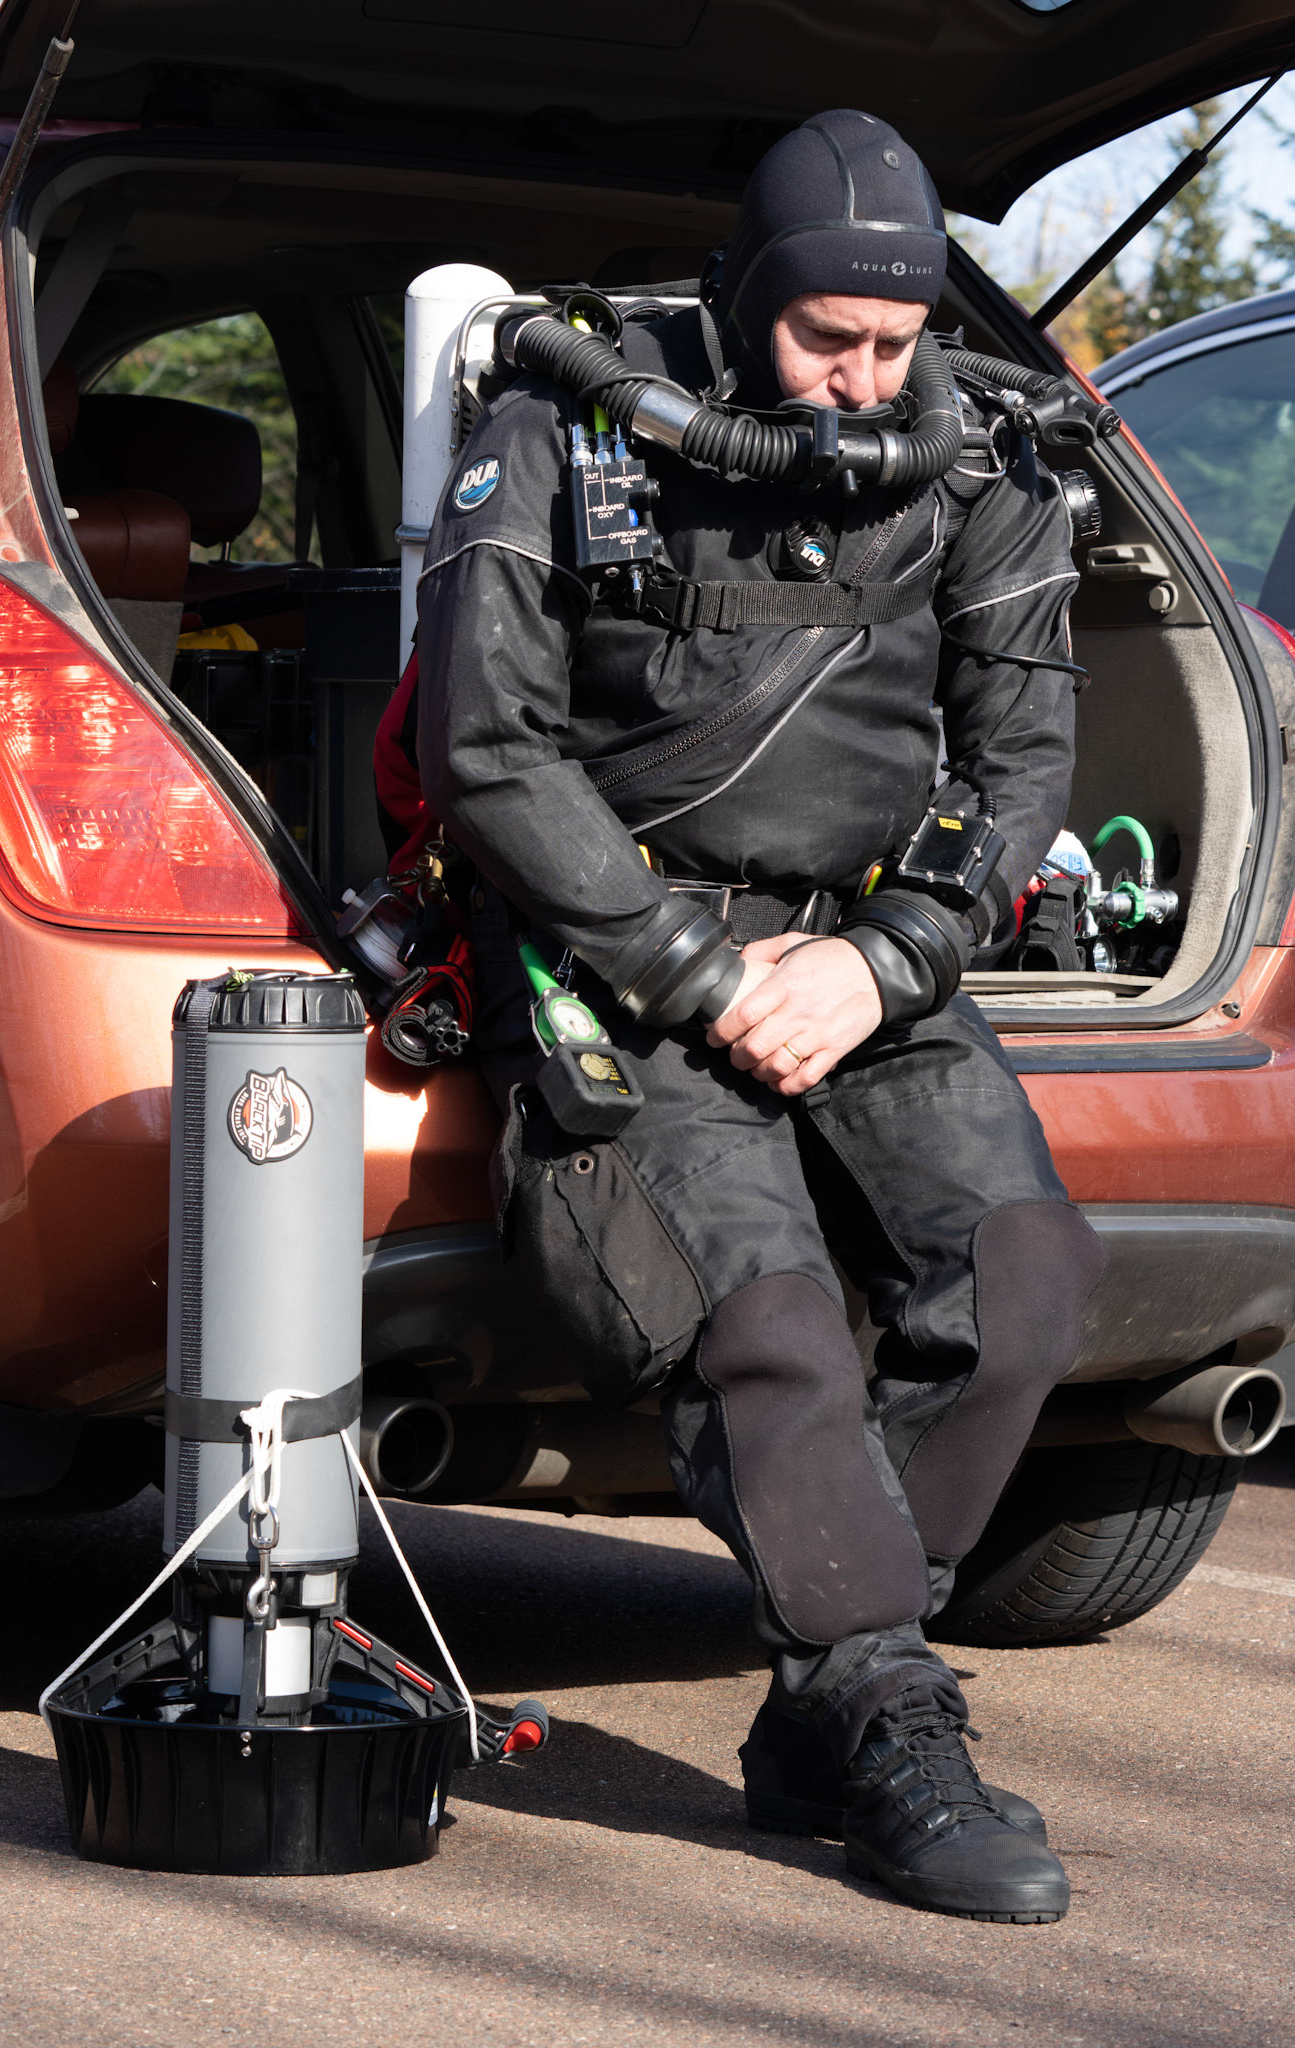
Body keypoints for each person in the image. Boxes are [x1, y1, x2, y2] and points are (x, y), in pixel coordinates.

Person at [414, 108, 1106, 1922]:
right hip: (620, 962)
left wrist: (884, 959)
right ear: (743, 300)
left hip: (865, 950)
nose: (862, 383)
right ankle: (882, 1713)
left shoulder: (976, 455)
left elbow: (1021, 761)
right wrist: (698, 974)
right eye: (825, 339)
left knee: (1025, 1276)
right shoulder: (566, 427)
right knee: (773, 1323)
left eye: (895, 342)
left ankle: (822, 1698)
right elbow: (485, 752)